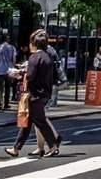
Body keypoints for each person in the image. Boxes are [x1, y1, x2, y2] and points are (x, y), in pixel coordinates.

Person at [5, 31, 60, 159]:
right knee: (28, 122)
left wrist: (19, 73)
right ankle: (16, 148)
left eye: (30, 43)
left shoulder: (34, 57)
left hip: (35, 93)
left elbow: (30, 76)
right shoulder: (48, 57)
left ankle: (53, 145)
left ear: (34, 44)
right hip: (45, 92)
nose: (29, 45)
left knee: (40, 121)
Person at [0, 34, 17, 111]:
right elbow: (14, 59)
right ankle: (6, 103)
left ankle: (0, 104)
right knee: (8, 87)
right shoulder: (12, 48)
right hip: (9, 70)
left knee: (0, 88)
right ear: (8, 40)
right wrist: (13, 67)